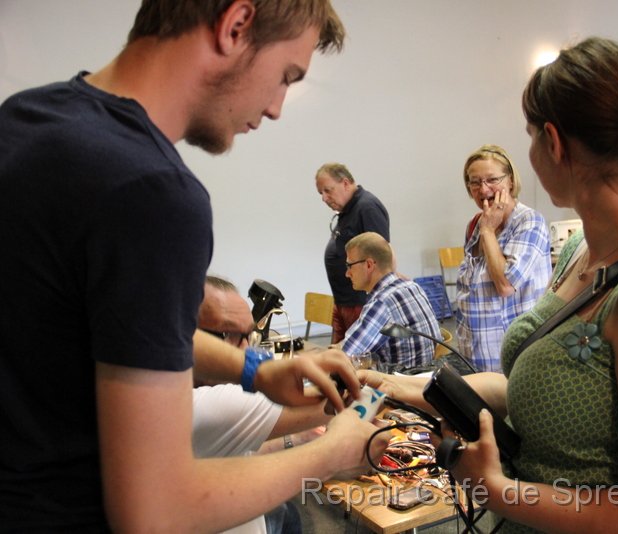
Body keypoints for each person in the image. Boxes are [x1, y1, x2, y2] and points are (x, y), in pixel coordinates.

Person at [0, 2, 388, 531]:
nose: (276, 107)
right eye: (284, 77)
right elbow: (155, 511)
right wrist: (334, 452)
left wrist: (254, 369)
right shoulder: (153, 193)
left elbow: (110, 326)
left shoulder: (25, 118)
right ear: (235, 27)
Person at [363, 37, 618, 533]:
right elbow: (534, 387)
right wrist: (406, 387)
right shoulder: (583, 250)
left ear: (552, 142)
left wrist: (502, 492)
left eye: (530, 136)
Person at [195, 276, 329, 534]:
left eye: (250, 336)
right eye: (231, 335)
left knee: (287, 514)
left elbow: (235, 455)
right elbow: (341, 399)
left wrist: (294, 440)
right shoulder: (210, 404)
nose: (247, 351)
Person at [455, 144, 551, 372]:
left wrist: (488, 231)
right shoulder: (475, 225)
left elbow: (506, 285)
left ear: (510, 180)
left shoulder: (529, 222)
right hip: (476, 356)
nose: (483, 188)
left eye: (492, 179)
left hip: (513, 359)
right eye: (475, 182)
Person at [336, 232, 439, 370]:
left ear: (368, 265)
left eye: (350, 265)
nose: (347, 273)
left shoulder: (382, 303)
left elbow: (344, 358)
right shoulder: (412, 286)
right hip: (422, 379)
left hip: (398, 386)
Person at [315, 162, 390, 343]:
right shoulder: (347, 209)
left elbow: (382, 256)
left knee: (354, 360)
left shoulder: (367, 207)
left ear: (346, 183)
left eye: (328, 190)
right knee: (338, 360)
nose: (324, 198)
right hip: (344, 301)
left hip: (360, 303)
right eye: (321, 193)